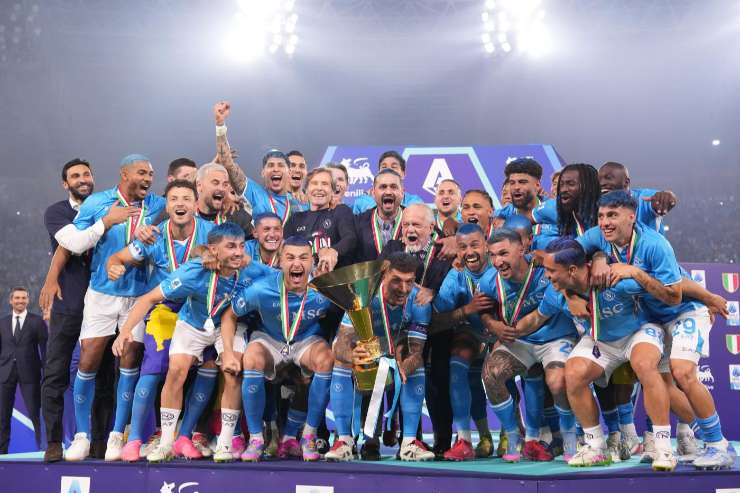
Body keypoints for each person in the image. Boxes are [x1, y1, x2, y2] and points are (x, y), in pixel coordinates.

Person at [579, 191, 735, 470]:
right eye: (601, 216)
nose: (605, 222)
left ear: (631, 216)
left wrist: (636, 273)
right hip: (653, 320)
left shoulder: (655, 244)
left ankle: (718, 445)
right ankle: (700, 435)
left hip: (683, 312)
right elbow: (567, 254)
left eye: (612, 215)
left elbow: (674, 296)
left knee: (683, 372)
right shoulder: (598, 236)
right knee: (664, 387)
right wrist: (599, 257)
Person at [110, 223, 270, 462]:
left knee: (232, 371)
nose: (238, 252)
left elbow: (278, 278)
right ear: (213, 250)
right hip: (193, 323)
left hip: (228, 325)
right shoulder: (193, 272)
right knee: (176, 371)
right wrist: (125, 331)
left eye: (241, 246)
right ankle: (166, 443)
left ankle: (225, 443)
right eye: (231, 247)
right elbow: (149, 298)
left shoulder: (249, 268)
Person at [55, 154, 166, 461]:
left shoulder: (157, 205)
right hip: (102, 294)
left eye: (151, 174)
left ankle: (117, 435)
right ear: (124, 174)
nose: (148, 178)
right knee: (88, 360)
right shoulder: (98, 202)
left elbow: (185, 199)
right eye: (142, 172)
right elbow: (75, 243)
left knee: (129, 361)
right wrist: (105, 222)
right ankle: (82, 436)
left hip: (139, 296)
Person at [105, 180, 215, 462]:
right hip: (164, 309)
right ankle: (134, 440)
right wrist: (113, 267)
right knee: (152, 370)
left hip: (200, 311)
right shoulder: (152, 237)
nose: (180, 204)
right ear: (167, 205)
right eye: (174, 198)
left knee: (210, 367)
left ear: (196, 204)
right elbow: (117, 258)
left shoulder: (211, 233)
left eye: (186, 198)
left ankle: (184, 437)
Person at [218, 237, 334, 462]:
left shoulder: (324, 290)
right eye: (290, 258)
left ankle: (307, 436)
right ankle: (256, 439)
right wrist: (229, 352)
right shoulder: (261, 288)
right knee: (251, 359)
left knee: (326, 359)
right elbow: (229, 316)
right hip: (269, 339)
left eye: (303, 258)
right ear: (280, 261)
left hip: (305, 340)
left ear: (312, 262)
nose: (297, 263)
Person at [479, 229, 578, 463]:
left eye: (503, 253)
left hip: (557, 338)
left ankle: (570, 440)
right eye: (493, 255)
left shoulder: (546, 271)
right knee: (491, 374)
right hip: (520, 340)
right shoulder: (489, 281)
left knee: (557, 382)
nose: (498, 261)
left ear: (522, 249)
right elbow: (484, 310)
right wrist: (493, 324)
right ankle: (514, 438)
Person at [326, 252, 434, 462]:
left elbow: (416, 351)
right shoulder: (363, 294)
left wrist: (404, 367)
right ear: (384, 275)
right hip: (367, 354)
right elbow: (340, 344)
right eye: (397, 281)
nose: (403, 288)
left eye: (409, 281)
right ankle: (344, 442)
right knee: (341, 360)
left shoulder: (419, 302)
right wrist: (352, 355)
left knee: (417, 364)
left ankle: (409, 443)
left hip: (397, 355)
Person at [39, 158, 100, 462]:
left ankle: (99, 441)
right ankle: (53, 441)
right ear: (66, 183)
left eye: (86, 174)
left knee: (104, 374)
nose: (82, 179)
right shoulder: (57, 212)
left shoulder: (105, 206)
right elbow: (74, 244)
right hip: (68, 303)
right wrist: (106, 221)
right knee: (55, 374)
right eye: (75, 176)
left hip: (102, 303)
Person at [432, 224, 497, 461]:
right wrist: (467, 310)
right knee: (457, 366)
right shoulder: (455, 276)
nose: (469, 252)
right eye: (463, 247)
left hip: (504, 332)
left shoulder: (500, 265)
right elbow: (436, 321)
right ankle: (464, 440)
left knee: (504, 375)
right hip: (472, 333)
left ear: (486, 245)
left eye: (474, 245)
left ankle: (521, 435)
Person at [213, 101, 304, 223]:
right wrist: (220, 125)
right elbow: (227, 163)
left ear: (289, 173)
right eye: (270, 165)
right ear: (262, 172)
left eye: (281, 165)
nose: (275, 169)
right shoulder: (254, 193)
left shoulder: (301, 204)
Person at [0, 287, 47, 454]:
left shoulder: (37, 321)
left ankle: (44, 449)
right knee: (3, 415)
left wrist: (46, 372)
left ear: (28, 300)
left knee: (36, 414)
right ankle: (2, 452)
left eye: (23, 298)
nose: (20, 301)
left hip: (30, 373)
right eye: (17, 298)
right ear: (11, 300)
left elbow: (45, 348)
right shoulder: (2, 322)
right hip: (5, 374)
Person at [284, 167, 357, 271]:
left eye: (325, 184)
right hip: (303, 278)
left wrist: (333, 251)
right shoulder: (295, 218)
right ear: (306, 190)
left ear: (332, 191)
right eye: (314, 183)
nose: (319, 188)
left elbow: (350, 238)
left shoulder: (340, 211)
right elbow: (286, 249)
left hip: (334, 278)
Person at [598, 161, 678, 234]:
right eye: (599, 180)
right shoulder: (600, 205)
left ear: (626, 183)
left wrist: (666, 197)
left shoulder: (642, 198)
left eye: (608, 178)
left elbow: (660, 197)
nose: (601, 183)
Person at [353, 169, 405, 263]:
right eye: (383, 187)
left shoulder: (415, 220)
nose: (388, 192)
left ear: (402, 193)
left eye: (393, 187)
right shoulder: (358, 223)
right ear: (373, 193)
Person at [351, 151, 424, 214]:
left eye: (394, 167)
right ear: (378, 173)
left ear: (403, 174)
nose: (388, 170)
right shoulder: (362, 202)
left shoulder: (415, 202)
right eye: (384, 167)